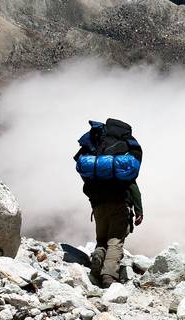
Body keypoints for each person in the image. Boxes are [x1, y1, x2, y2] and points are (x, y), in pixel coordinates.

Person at [74, 119, 144, 287]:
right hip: (119, 203)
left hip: (98, 205)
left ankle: (98, 258)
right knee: (115, 240)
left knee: (102, 239)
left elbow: (87, 184)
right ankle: (109, 277)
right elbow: (132, 185)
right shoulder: (122, 156)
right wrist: (139, 209)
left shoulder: (97, 151)